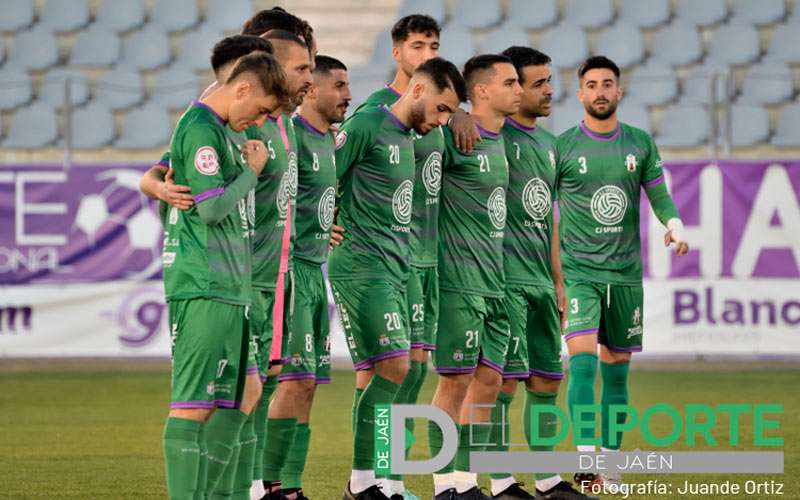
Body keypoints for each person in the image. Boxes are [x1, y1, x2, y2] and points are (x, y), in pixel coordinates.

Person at [331, 57, 465, 500]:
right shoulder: (367, 123)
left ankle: (379, 481)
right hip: (360, 266)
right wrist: (324, 221)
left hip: (396, 267)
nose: (445, 121)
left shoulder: (407, 136)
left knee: (394, 371)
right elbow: (322, 177)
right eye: (443, 109)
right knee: (393, 367)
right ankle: (365, 480)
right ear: (419, 91)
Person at [556, 56, 688, 491]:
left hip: (625, 276)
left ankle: (610, 465)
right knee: (582, 362)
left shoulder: (639, 143)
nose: (599, 91)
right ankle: (587, 458)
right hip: (579, 273)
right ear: (579, 94)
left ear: (619, 91)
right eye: (591, 84)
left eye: (607, 84)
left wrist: (674, 225)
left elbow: (660, 196)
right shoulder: (563, 147)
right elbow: (540, 208)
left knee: (617, 369)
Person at [161, 51, 287, 500]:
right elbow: (212, 208)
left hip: (231, 287)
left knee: (244, 392)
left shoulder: (220, 130)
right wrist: (251, 173)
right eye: (263, 109)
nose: (262, 121)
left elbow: (166, 185)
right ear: (242, 89)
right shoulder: (199, 130)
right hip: (205, 286)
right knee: (193, 406)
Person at [485, 46, 595, 500]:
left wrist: (559, 280)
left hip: (540, 281)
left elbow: (546, 217)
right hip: (502, 279)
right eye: (538, 83)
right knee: (503, 382)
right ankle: (500, 479)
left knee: (547, 379)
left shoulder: (551, 146)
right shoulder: (489, 134)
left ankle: (548, 478)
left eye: (550, 81)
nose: (549, 90)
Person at [349, 14, 444, 499]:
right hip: (382, 259)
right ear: (397, 52)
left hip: (428, 258)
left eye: (433, 45)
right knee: (381, 369)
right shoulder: (376, 111)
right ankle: (369, 476)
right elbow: (336, 171)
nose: (425, 53)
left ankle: (392, 476)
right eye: (417, 45)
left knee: (417, 369)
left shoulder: (443, 114)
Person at [429, 54, 521, 500]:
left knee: (489, 380)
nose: (519, 90)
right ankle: (444, 484)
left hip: (495, 280)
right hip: (458, 279)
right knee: (454, 380)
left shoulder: (502, 139)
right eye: (510, 82)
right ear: (481, 90)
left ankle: (467, 481)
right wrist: (455, 117)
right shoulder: (451, 136)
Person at [259, 54, 351, 500]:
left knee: (308, 384)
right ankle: (266, 483)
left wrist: (327, 220)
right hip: (290, 271)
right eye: (339, 86)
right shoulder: (287, 134)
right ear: (311, 88)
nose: (347, 95)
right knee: (288, 381)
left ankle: (291, 486)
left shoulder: (331, 142)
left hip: (316, 272)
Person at [251, 29, 314, 500]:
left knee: (270, 377)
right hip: (248, 274)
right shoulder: (247, 122)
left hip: (284, 270)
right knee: (247, 381)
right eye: (303, 68)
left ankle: (266, 484)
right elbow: (169, 171)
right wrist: (156, 184)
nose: (309, 79)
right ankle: (251, 484)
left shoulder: (287, 125)